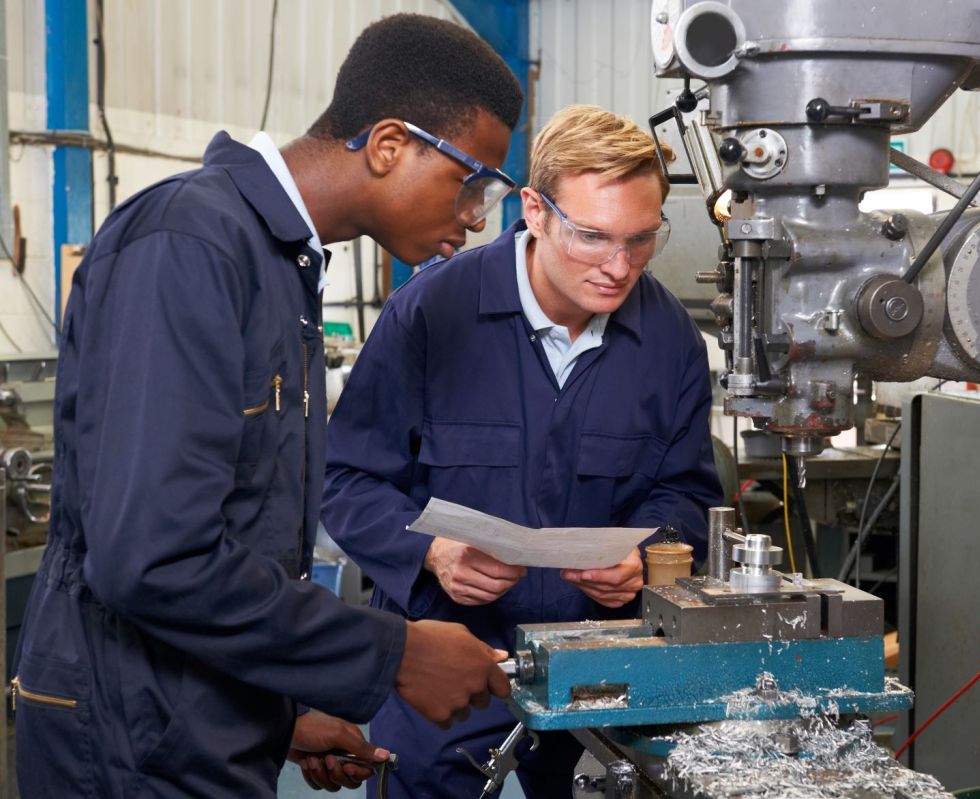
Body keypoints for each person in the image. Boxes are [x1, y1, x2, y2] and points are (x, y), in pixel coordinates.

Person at [12, 14, 523, 798]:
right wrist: (396, 653)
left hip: (193, 724)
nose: (478, 216)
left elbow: (232, 536)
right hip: (126, 750)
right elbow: (152, 558)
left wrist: (274, 715)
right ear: (390, 144)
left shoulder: (283, 270)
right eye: (472, 180)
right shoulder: (190, 245)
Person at [323, 104, 724, 798]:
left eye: (641, 239)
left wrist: (645, 558)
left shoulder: (671, 343)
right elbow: (348, 479)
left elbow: (687, 496)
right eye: (594, 237)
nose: (620, 265)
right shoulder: (430, 314)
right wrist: (431, 552)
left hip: (606, 675)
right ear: (534, 210)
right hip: (450, 667)